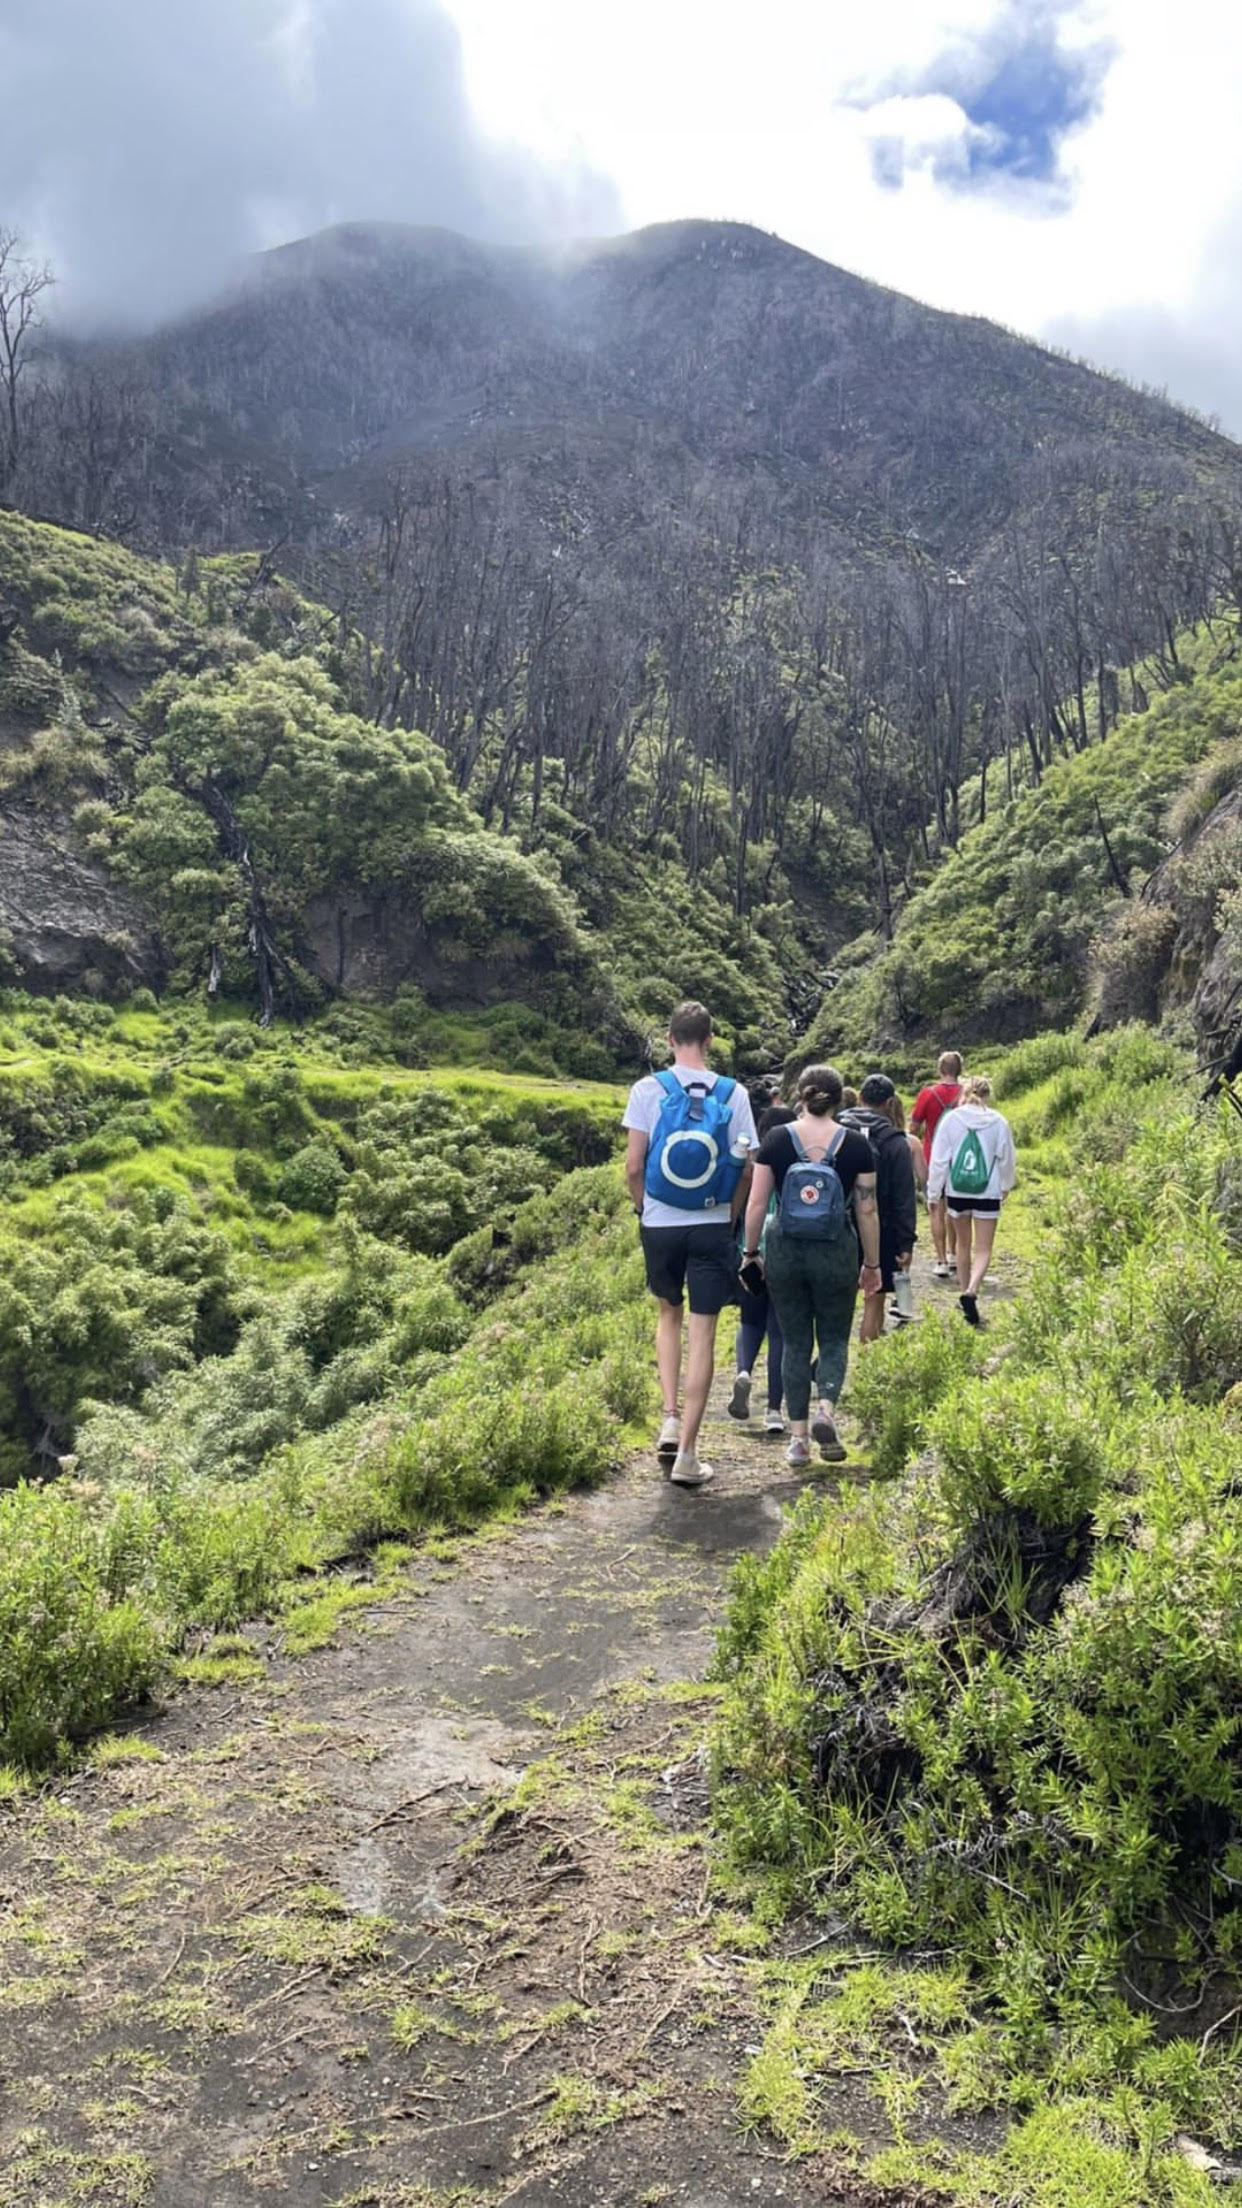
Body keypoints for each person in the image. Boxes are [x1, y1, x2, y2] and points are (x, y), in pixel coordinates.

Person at [623, 1002, 757, 1487]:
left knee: (667, 1314)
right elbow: (745, 1166)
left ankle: (668, 1417)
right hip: (711, 1221)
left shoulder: (647, 1090)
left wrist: (643, 1210)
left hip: (659, 1221)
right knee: (703, 1331)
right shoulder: (734, 1092)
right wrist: (732, 1216)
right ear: (711, 1039)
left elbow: (634, 1166)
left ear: (669, 1038)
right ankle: (688, 1455)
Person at [741, 1064, 879, 1469]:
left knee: (796, 1342)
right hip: (837, 1251)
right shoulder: (856, 1145)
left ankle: (798, 1440)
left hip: (785, 1251)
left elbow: (756, 1203)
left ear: (800, 1095)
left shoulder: (777, 1140)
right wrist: (871, 1263)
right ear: (838, 1099)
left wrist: (751, 1253)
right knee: (834, 1339)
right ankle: (826, 1411)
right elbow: (867, 1210)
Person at [927, 1072, 1016, 1327]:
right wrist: (1006, 1185)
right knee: (984, 1248)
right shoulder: (999, 1122)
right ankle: (972, 1290)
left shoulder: (951, 1120)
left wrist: (934, 1193)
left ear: (964, 1094)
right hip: (987, 1191)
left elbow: (939, 1160)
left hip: (957, 1191)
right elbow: (1007, 1159)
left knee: (962, 1246)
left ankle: (963, 1291)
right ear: (987, 1096)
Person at [728, 1102, 795, 1435]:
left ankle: (743, 1371)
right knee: (779, 1332)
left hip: (750, 1250)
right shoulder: (797, 1163)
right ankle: (774, 1412)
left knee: (750, 1319)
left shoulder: (751, 1165)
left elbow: (738, 1207)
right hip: (786, 1254)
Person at [839, 1074, 918, 1344]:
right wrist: (905, 1241)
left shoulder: (836, 1130)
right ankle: (868, 1360)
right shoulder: (896, 1142)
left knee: (839, 1299)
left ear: (860, 1098)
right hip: (880, 1229)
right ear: (889, 1103)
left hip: (836, 1226)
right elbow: (904, 1197)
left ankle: (831, 1359)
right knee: (874, 1297)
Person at [910, 1052, 963, 1279]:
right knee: (956, 1208)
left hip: (934, 1156)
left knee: (936, 1208)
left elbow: (913, 1127)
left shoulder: (928, 1093)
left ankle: (941, 1260)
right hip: (961, 1159)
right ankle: (953, 1254)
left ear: (940, 1069)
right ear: (959, 1069)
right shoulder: (966, 1093)